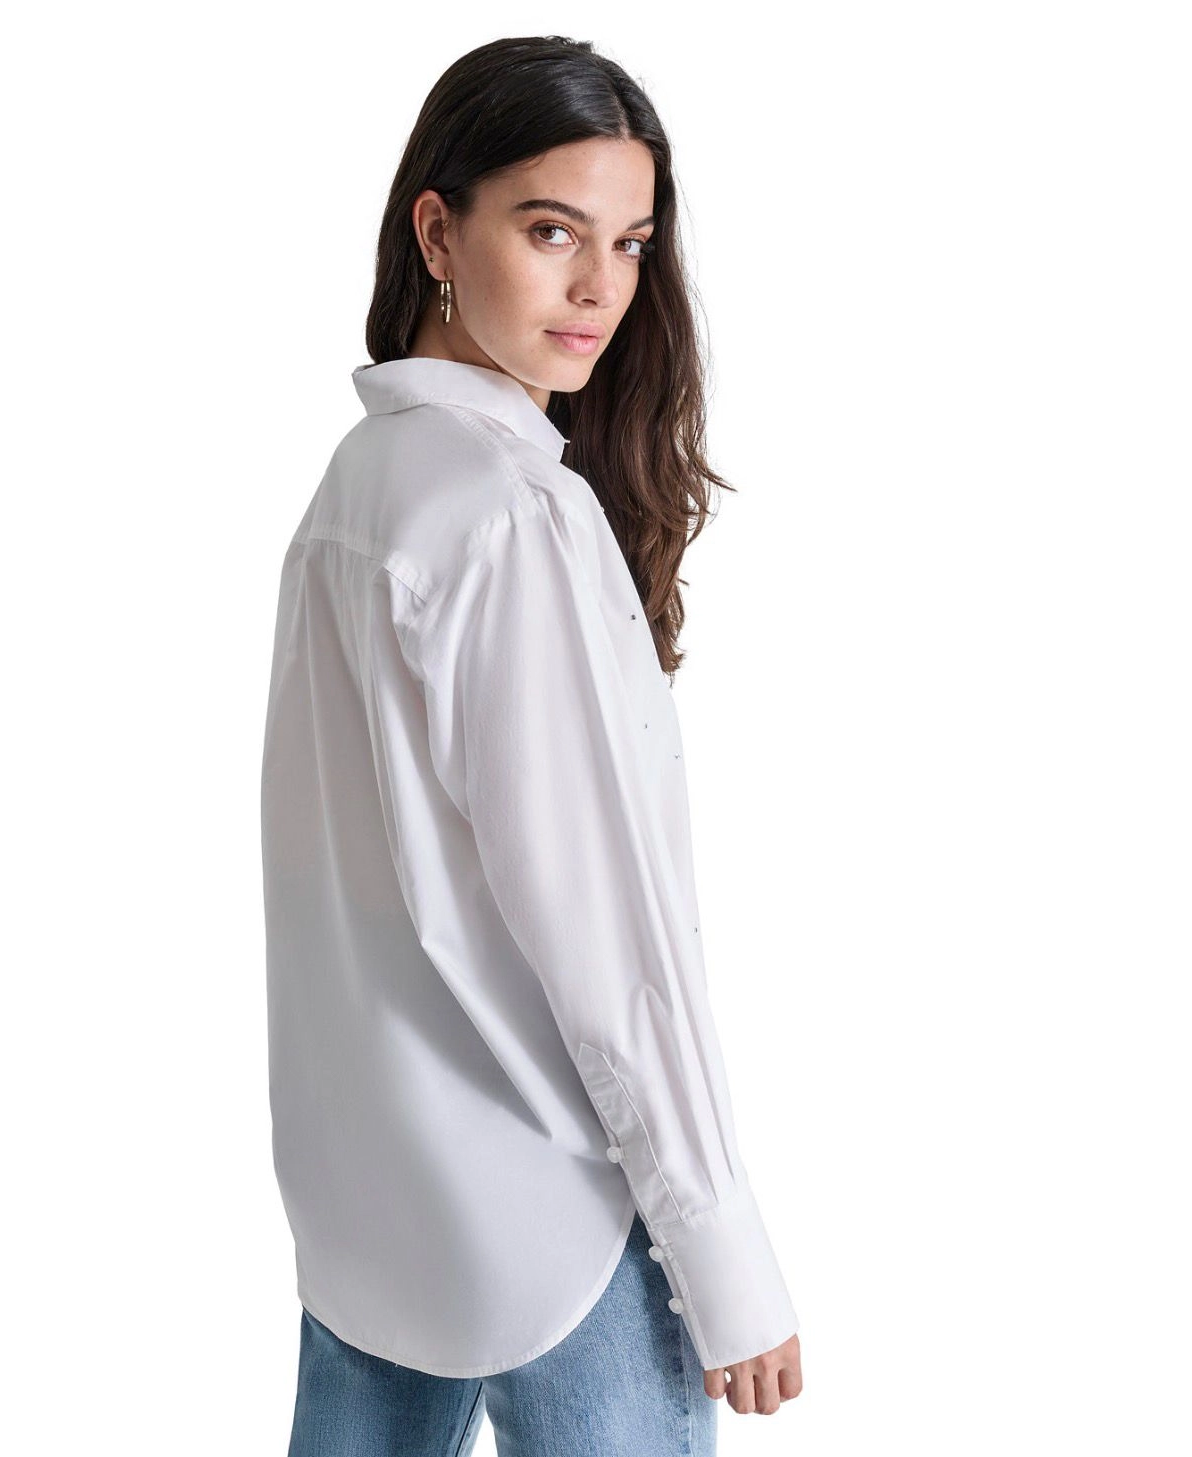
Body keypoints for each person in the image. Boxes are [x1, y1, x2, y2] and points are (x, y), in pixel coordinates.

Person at [260, 35, 803, 1455]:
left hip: (370, 1218)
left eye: (630, 242)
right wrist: (722, 1248)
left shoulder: (358, 486)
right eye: (551, 230)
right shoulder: (510, 513)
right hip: (557, 1221)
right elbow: (605, 930)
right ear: (438, 231)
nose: (600, 288)